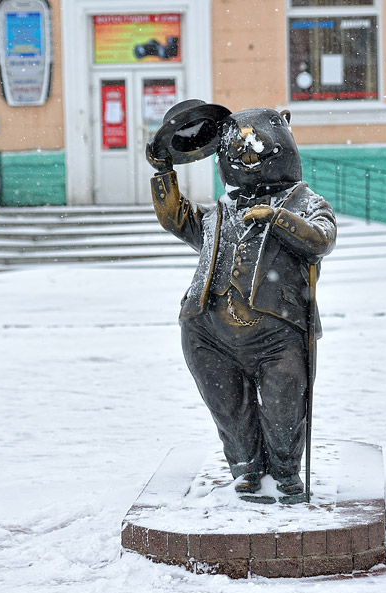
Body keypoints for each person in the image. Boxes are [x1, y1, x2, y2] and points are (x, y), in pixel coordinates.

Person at [146, 101, 336, 502]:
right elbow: (176, 219)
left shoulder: (305, 202)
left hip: (278, 334)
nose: (245, 160)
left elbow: (321, 239)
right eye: (238, 152)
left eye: (254, 151)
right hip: (208, 332)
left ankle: (285, 472)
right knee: (229, 409)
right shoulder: (221, 211)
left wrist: (277, 219)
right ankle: (246, 468)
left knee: (286, 406)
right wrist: (164, 171)